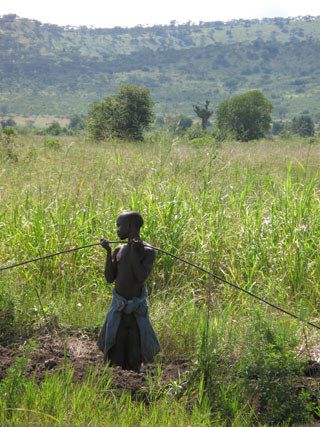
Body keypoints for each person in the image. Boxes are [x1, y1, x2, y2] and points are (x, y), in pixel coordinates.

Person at [97, 211, 160, 371]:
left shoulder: (147, 251)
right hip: (118, 307)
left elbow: (140, 276)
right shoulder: (118, 250)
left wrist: (133, 250)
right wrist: (108, 252)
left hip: (135, 310)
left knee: (134, 355)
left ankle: (134, 382)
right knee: (115, 353)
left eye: (119, 225)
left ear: (131, 226)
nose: (117, 230)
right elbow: (110, 278)